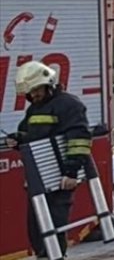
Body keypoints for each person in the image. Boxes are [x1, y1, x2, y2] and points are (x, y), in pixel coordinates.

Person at [5, 62, 92, 258]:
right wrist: (18, 139)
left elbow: (79, 139)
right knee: (37, 230)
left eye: (36, 89)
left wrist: (71, 172)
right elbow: (30, 134)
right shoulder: (35, 108)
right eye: (29, 91)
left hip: (58, 179)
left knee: (54, 228)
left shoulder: (69, 105)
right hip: (37, 180)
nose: (33, 95)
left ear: (49, 84)